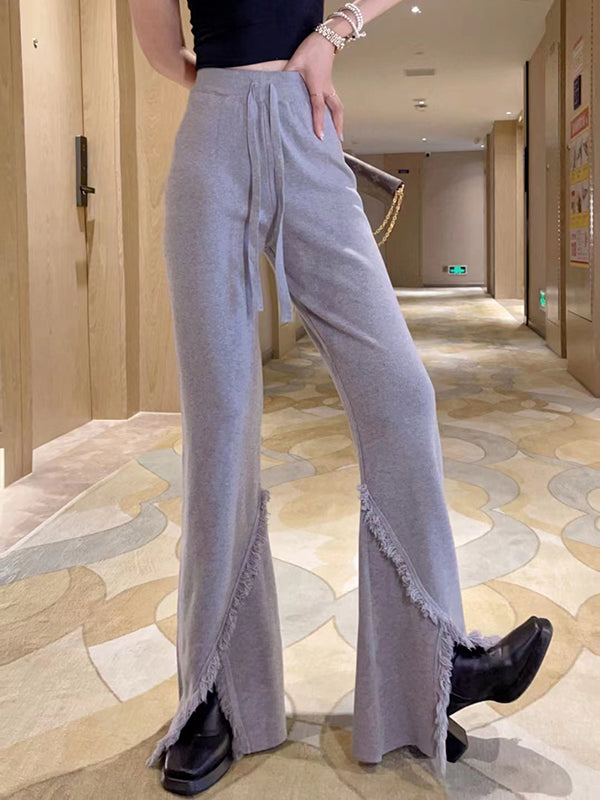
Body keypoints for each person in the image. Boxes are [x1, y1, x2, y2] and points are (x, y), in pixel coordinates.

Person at [128, 1, 554, 795]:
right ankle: (213, 692)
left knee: (401, 394)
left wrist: (333, 33)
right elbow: (161, 50)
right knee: (220, 426)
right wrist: (236, 97)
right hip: (211, 143)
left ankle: (436, 663)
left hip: (308, 125)